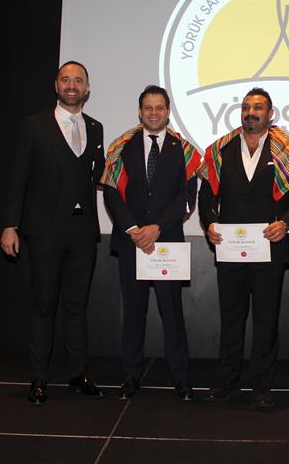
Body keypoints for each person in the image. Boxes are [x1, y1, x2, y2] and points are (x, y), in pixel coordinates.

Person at [0, 61, 106, 405]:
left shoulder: (96, 127)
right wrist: (10, 225)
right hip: (44, 230)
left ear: (87, 88)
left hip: (83, 230)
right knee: (44, 304)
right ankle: (39, 378)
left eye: (78, 80)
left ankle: (78, 373)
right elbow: (17, 176)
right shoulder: (35, 125)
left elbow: (97, 174)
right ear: (56, 85)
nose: (72, 85)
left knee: (77, 306)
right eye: (66, 79)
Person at [198, 87, 289, 408]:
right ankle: (227, 382)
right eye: (246, 107)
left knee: (265, 320)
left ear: (270, 114)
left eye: (258, 107)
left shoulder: (287, 151)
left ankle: (261, 386)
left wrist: (285, 224)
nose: (251, 112)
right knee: (231, 319)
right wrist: (210, 223)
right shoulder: (221, 149)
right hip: (230, 250)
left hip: (269, 250)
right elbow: (206, 198)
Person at [101, 85, 201, 402]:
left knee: (172, 314)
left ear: (168, 112)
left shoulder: (184, 150)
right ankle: (130, 377)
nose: (154, 113)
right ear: (140, 111)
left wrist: (157, 227)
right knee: (133, 313)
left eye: (159, 107)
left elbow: (186, 199)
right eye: (148, 107)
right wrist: (133, 228)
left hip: (166, 244)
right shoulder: (121, 147)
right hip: (131, 242)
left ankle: (181, 379)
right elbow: (112, 193)